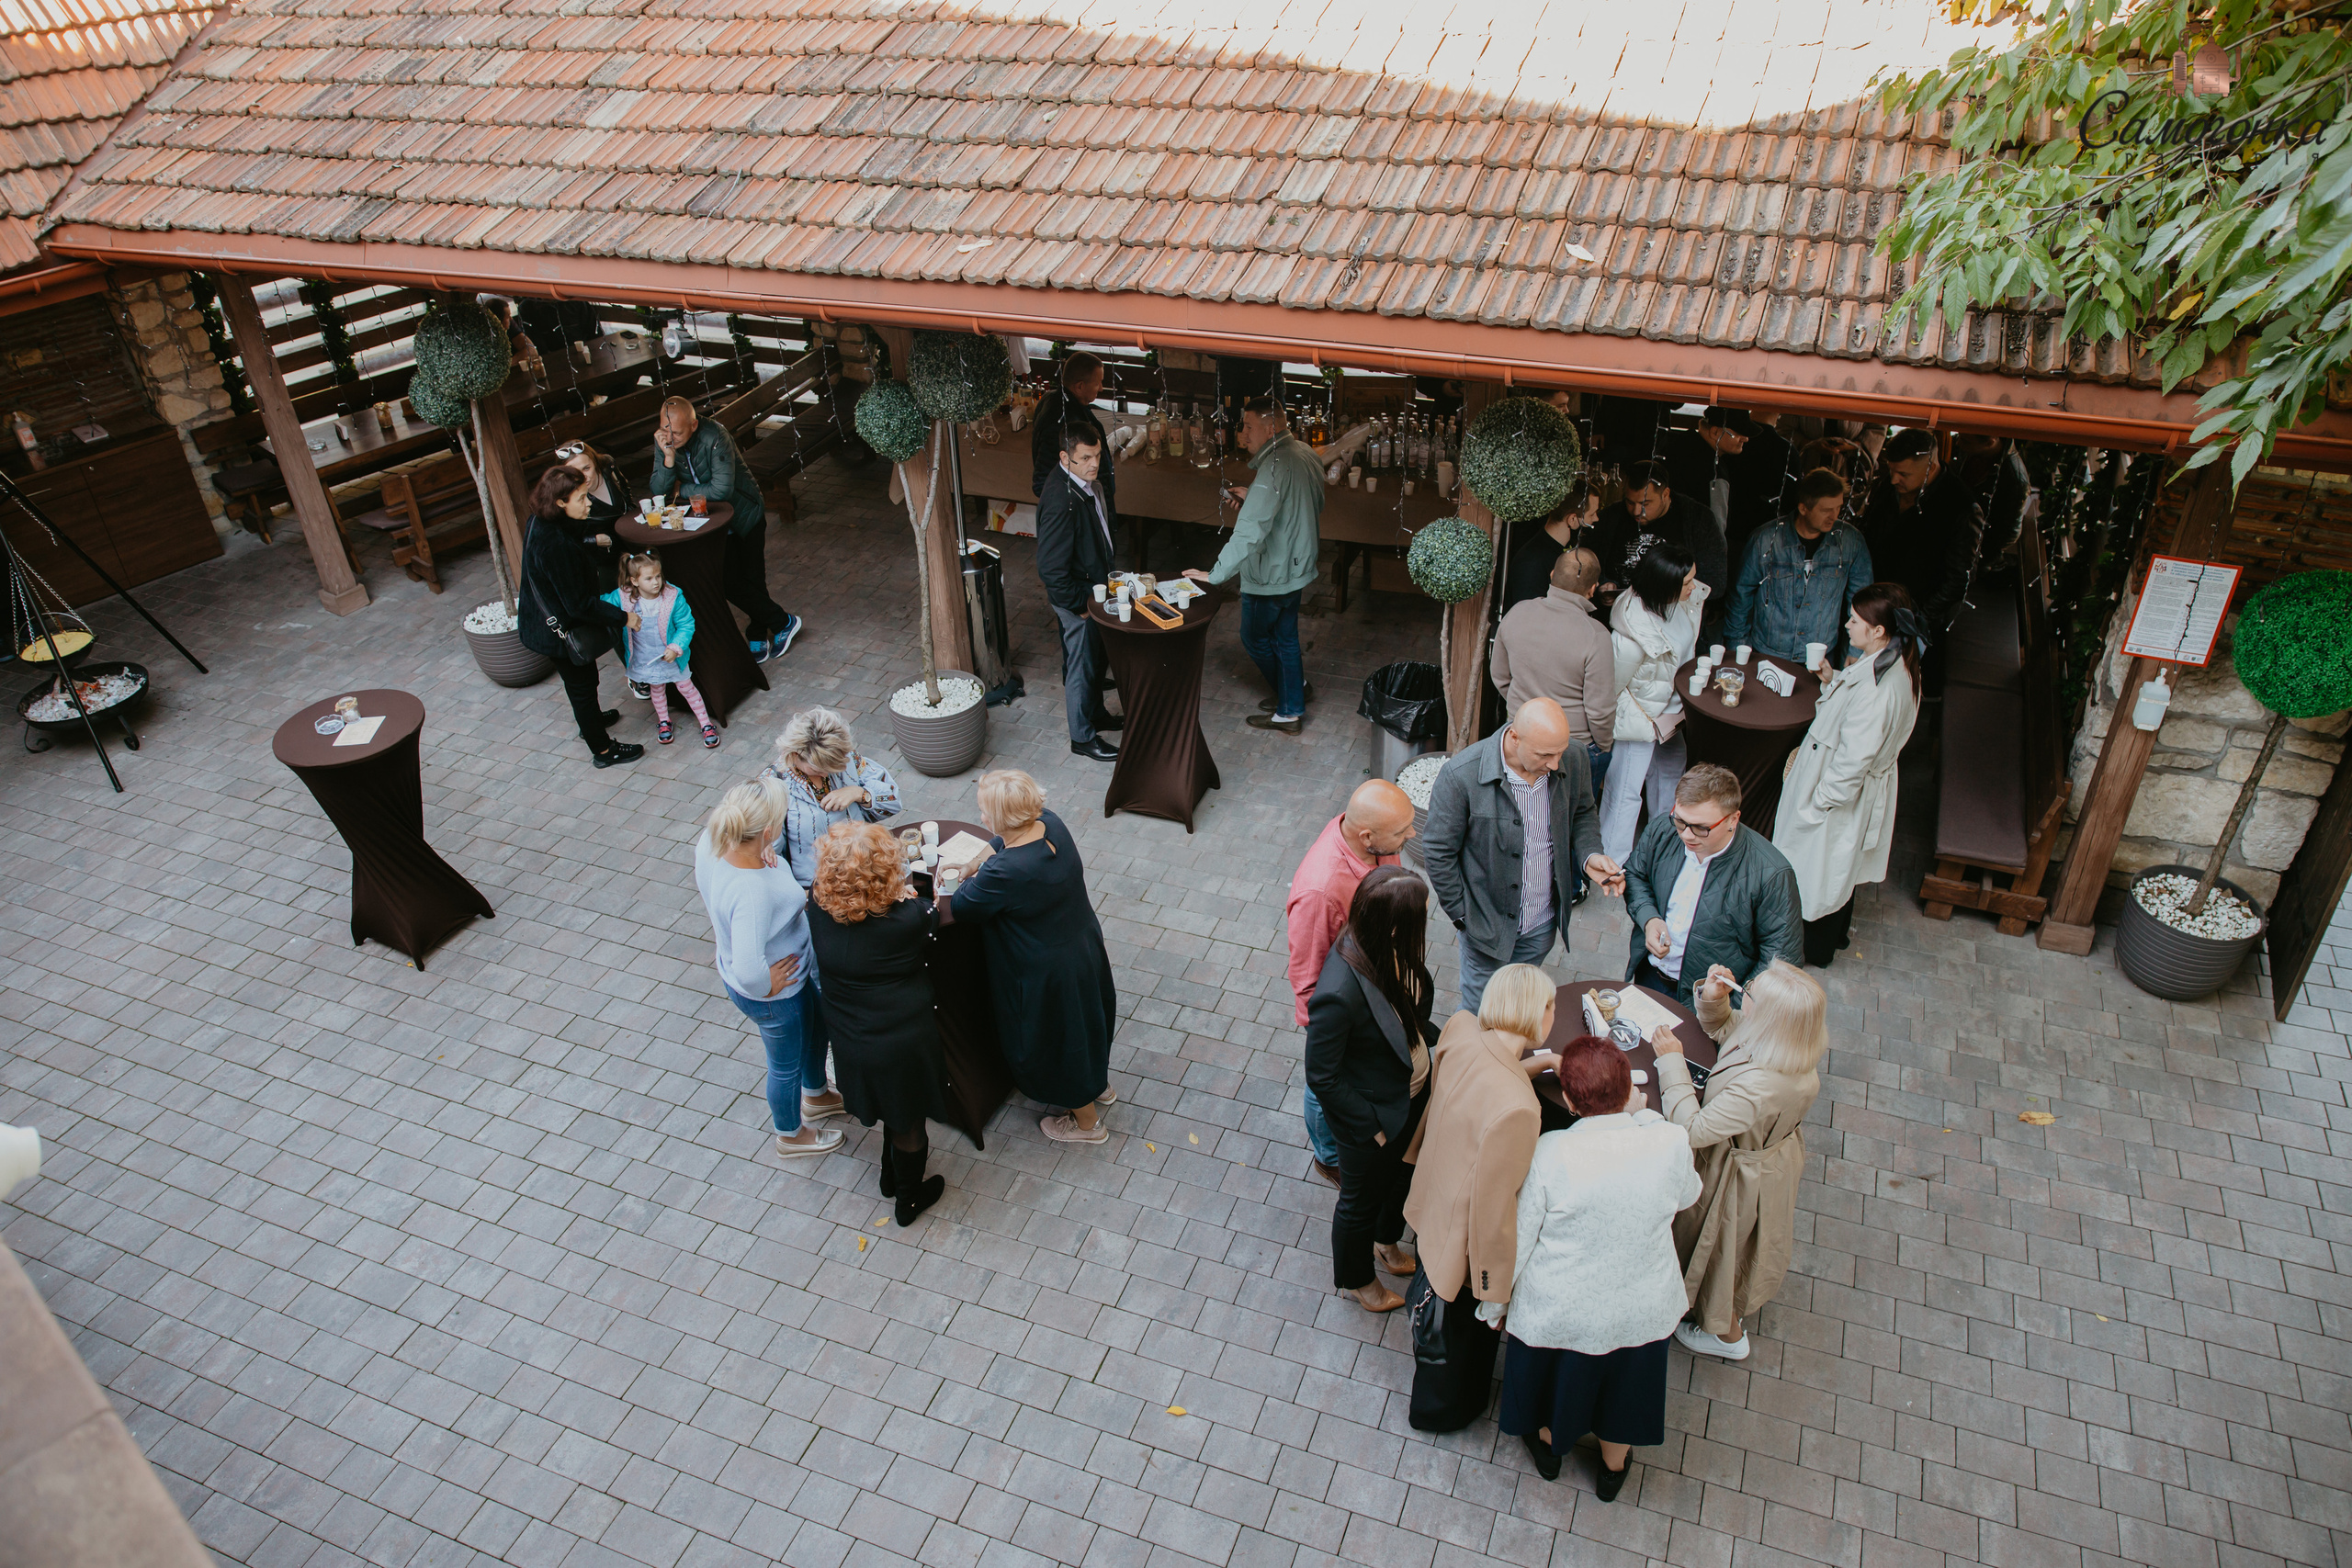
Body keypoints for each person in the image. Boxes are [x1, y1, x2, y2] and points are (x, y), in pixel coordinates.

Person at [1491, 1037, 1699, 1499]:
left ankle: (1549, 1450)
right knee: (1626, 1389)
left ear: (1568, 1100)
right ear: (1627, 1091)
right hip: (1640, 1309)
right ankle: (1611, 1469)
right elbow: (1688, 1195)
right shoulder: (1667, 1140)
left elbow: (1519, 1242)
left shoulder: (1550, 1154)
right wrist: (1645, 1115)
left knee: (1558, 1389)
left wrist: (1493, 1306)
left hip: (1563, 1311)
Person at [1398, 963, 1554, 1431]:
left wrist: (1542, 1062)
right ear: (1536, 1014)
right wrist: (1495, 1291)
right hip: (1461, 1244)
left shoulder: (1462, 1030)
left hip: (1432, 1195)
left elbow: (1487, 1073)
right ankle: (1445, 1414)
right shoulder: (1520, 1111)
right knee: (1460, 1339)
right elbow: (1494, 1214)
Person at [1650, 959, 1826, 1360]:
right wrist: (1715, 1004)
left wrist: (1671, 1061)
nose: (1743, 994)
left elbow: (1692, 1129)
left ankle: (1726, 1335)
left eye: (1751, 995)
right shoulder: (1792, 1044)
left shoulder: (1762, 1087)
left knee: (1721, 1250)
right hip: (1759, 1163)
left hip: (1736, 1176)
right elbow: (1738, 1036)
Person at [939, 771, 1118, 1143]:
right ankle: (1100, 1086)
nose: (983, 820)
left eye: (986, 814)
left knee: (1059, 1041)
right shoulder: (1050, 823)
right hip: (1082, 946)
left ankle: (1087, 1124)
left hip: (1045, 971)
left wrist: (971, 874)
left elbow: (964, 905)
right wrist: (977, 861)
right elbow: (1001, 842)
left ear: (1003, 818)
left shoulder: (1007, 872)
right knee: (1086, 1022)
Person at [1422, 697, 1623, 1014]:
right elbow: (1437, 850)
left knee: (1517, 1008)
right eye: (1545, 755)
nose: (1557, 764)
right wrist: (1463, 916)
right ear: (1514, 737)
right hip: (1485, 929)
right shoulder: (1461, 775)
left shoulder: (1573, 756)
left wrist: (1589, 855)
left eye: (1559, 752)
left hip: (1541, 924)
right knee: (1481, 1014)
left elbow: (1583, 811)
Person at [807, 822, 956, 1226]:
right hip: (900, 1037)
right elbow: (930, 916)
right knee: (909, 1121)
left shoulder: (817, 903)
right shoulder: (909, 919)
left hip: (850, 1033)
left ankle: (891, 1177)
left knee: (893, 1108)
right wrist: (906, 898)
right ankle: (907, 1200)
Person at [1304, 866, 1437, 1314]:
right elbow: (1321, 1075)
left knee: (1401, 1176)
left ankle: (1387, 1243)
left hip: (1410, 1098)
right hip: (1375, 1119)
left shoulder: (1388, 946)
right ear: (1396, 925)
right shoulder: (1339, 990)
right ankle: (1360, 1281)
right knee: (1359, 1203)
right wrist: (1372, 1128)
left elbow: (1404, 1018)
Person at [692, 777, 845, 1161]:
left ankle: (818, 1095)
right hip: (777, 995)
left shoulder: (714, 843)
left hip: (789, 980)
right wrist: (766, 983)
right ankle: (791, 1135)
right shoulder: (752, 891)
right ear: (768, 831)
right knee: (784, 1065)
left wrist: (766, 853)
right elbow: (748, 969)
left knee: (816, 1031)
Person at [1775, 583, 1925, 966]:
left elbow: (1853, 759)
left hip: (1838, 792)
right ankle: (1834, 937)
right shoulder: (1891, 661)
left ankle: (1812, 950)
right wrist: (1831, 676)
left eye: (1855, 620)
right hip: (1847, 786)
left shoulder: (1879, 689)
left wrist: (1819, 802)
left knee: (1819, 871)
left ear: (1878, 630)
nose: (1847, 624)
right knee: (1838, 867)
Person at [1287, 779, 1418, 1186]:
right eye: (1401, 832)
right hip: (1340, 1005)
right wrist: (1328, 1033)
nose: (1410, 836)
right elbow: (1307, 977)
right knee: (1324, 1082)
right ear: (1367, 836)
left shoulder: (1374, 841)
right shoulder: (1319, 892)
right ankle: (1327, 1155)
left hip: (1372, 982)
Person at [1182, 396, 1322, 733]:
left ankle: (1289, 708)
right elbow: (1305, 501)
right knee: (1286, 636)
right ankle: (1295, 691)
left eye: (1247, 426)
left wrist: (1214, 574)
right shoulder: (1303, 452)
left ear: (1271, 428)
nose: (1242, 434)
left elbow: (1248, 533)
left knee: (1255, 637)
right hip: (1296, 565)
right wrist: (1254, 498)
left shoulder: (1272, 468)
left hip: (1272, 573)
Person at [1622, 763, 1803, 1006]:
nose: (1686, 835)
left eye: (1701, 828)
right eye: (1680, 821)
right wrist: (1649, 918)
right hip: (1651, 977)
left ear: (1733, 819)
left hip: (1714, 1004)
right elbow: (1635, 874)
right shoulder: (1662, 830)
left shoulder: (1772, 874)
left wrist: (1725, 1008)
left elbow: (1781, 961)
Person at [650, 395, 801, 663]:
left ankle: (759, 630)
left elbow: (721, 490)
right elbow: (658, 492)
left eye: (677, 432)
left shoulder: (715, 436)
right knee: (727, 581)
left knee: (752, 578)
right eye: (666, 429)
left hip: (744, 515)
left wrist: (681, 490)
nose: (670, 436)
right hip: (710, 523)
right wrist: (669, 459)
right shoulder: (664, 441)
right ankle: (782, 621)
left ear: (694, 425)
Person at [515, 466, 640, 769]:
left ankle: (593, 722)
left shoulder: (542, 520)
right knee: (582, 685)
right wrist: (623, 618)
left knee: (584, 680)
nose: (589, 504)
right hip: (556, 630)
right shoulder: (555, 544)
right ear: (560, 502)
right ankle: (602, 749)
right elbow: (579, 605)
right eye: (582, 498)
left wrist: (588, 542)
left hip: (544, 620)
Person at [1599, 541, 1704, 865]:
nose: (1694, 587)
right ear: (1665, 586)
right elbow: (1612, 688)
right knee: (1626, 792)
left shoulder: (1681, 602)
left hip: (1671, 714)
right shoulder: (1630, 637)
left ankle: (1662, 851)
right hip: (1640, 719)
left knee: (1671, 782)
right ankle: (1611, 861)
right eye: (1687, 583)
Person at [1489, 547, 1614, 791]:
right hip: (1570, 746)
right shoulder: (1596, 635)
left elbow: (1501, 677)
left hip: (1519, 734)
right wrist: (1603, 747)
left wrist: (1524, 711)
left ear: (1552, 574)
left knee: (1516, 810)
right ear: (1592, 589)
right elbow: (1599, 710)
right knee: (1568, 819)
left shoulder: (1516, 613)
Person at [1721, 469, 1874, 664]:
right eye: (1826, 510)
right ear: (1803, 508)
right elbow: (1740, 597)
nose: (1834, 516)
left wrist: (1856, 650)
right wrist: (1736, 651)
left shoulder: (1852, 542)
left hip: (1821, 656)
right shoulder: (1766, 540)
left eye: (1838, 508)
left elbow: (1862, 602)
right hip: (1768, 652)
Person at [1035, 425, 1121, 762]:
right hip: (1079, 599)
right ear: (1064, 458)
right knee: (1080, 666)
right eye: (1085, 458)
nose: (1093, 463)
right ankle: (1082, 737)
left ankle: (1097, 714)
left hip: (1094, 591)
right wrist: (1080, 606)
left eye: (1097, 455)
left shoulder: (1086, 485)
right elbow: (1051, 568)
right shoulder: (1061, 499)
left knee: (1096, 659)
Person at [1858, 428, 1984, 636]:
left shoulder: (1961, 507)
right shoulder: (1889, 487)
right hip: (1874, 605)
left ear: (1930, 468)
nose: (1893, 480)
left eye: (1904, 474)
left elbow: (1959, 580)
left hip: (1918, 617)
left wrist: (1918, 619)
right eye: (1891, 471)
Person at [762, 706, 902, 888]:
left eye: (832, 768)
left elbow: (893, 801)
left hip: (866, 870)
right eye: (818, 769)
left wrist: (859, 793)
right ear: (795, 755)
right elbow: (770, 852)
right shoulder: (774, 785)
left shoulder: (845, 758)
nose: (826, 774)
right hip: (816, 886)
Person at [602, 551, 717, 749]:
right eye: (649, 578)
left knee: (687, 688)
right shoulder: (624, 597)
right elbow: (602, 605)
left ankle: (706, 723)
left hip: (671, 655)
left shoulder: (672, 597)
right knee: (656, 689)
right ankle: (664, 721)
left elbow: (686, 625)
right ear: (634, 581)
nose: (656, 582)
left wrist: (676, 647)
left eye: (658, 576)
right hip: (646, 655)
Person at [1591, 460, 1725, 604]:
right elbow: (1591, 562)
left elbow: (1714, 583)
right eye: (1630, 502)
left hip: (1674, 617)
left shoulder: (1697, 519)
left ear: (1666, 494)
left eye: (1645, 504)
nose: (1636, 511)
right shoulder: (1611, 517)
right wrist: (1604, 583)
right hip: (1617, 615)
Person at [1030, 351, 1114, 513]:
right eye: (1098, 383)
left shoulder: (1061, 403)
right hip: (1077, 511)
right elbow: (1042, 480)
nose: (1101, 388)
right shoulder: (1063, 420)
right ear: (1080, 386)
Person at [1500, 482, 1600, 613]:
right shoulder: (1533, 562)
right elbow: (1529, 618)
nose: (1596, 519)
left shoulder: (1559, 550)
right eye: (1592, 515)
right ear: (1573, 519)